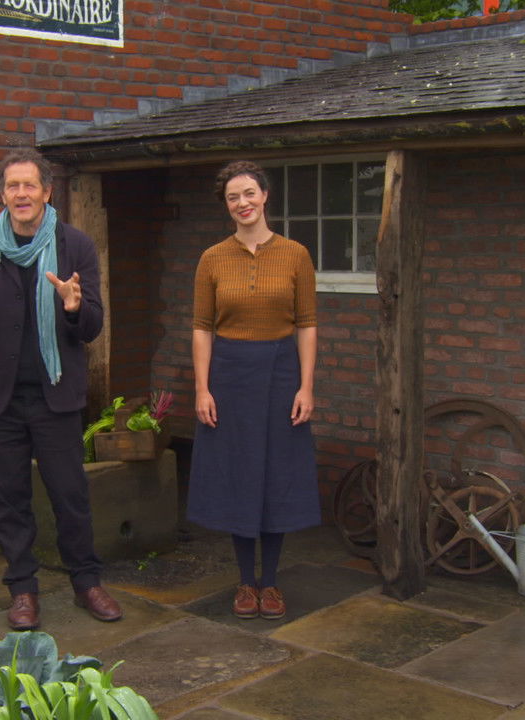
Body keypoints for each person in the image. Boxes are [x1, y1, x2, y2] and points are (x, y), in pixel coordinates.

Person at [0, 148, 122, 630]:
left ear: (47, 191)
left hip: (55, 395)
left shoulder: (75, 246)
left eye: (30, 185)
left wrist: (73, 306)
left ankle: (87, 581)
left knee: (70, 494)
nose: (21, 194)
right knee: (9, 499)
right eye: (13, 186)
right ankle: (23, 589)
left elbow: (92, 326)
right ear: (3, 194)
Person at [188, 160, 320, 620]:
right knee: (238, 473)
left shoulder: (296, 255)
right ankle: (246, 581)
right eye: (233, 197)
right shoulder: (212, 258)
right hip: (229, 375)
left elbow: (307, 325)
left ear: (265, 195)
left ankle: (272, 581)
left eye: (249, 193)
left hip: (281, 372)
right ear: (226, 205)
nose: (242, 203)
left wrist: (306, 385)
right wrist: (202, 388)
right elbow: (202, 327)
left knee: (276, 472)